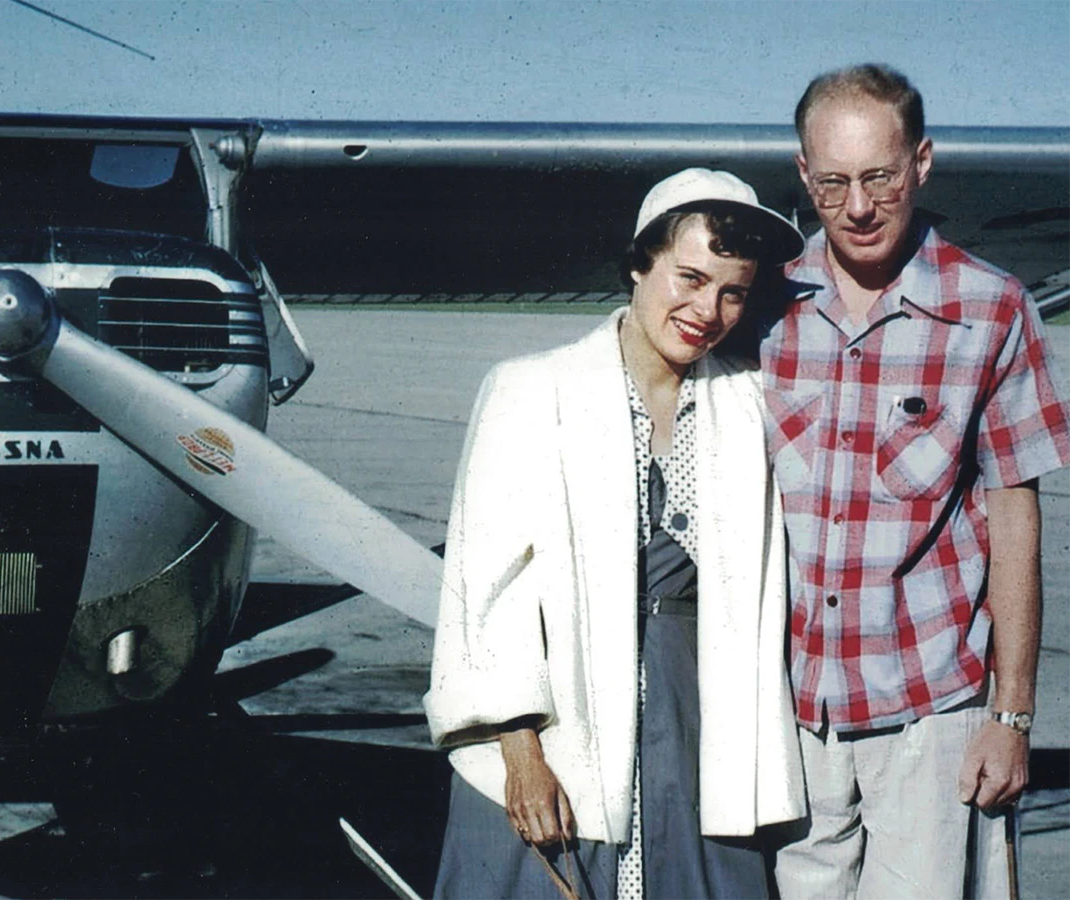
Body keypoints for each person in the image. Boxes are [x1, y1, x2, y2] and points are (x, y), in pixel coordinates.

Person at [424, 168, 807, 900]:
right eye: (689, 278)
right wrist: (521, 754)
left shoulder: (749, 403)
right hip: (559, 732)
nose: (707, 310)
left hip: (697, 734)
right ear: (638, 264)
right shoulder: (532, 390)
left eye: (732, 291)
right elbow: (487, 593)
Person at [763, 64, 1070, 899]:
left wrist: (1011, 720)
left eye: (879, 177)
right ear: (802, 175)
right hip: (792, 727)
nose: (857, 207)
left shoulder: (995, 310)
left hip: (931, 717)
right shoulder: (765, 309)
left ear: (922, 163)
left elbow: (1015, 524)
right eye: (831, 183)